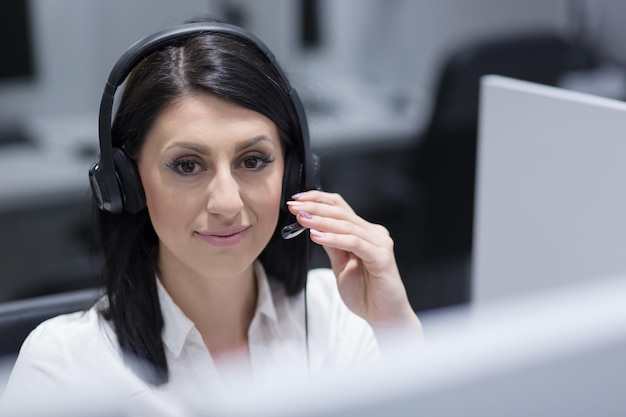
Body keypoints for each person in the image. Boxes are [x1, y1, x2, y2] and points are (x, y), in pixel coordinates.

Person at [1, 17, 422, 415]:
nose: (227, 203)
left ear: (294, 174)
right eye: (187, 165)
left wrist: (395, 329)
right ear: (127, 183)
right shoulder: (63, 367)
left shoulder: (343, 317)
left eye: (253, 160)